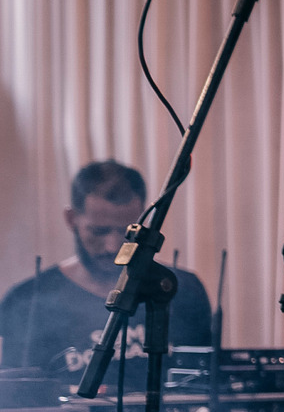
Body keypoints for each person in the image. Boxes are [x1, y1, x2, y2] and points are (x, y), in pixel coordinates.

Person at [0, 160, 212, 380]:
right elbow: (16, 392)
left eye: (126, 232)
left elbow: (207, 381)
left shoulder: (181, 290)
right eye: (98, 231)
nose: (112, 246)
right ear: (71, 219)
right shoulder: (27, 301)